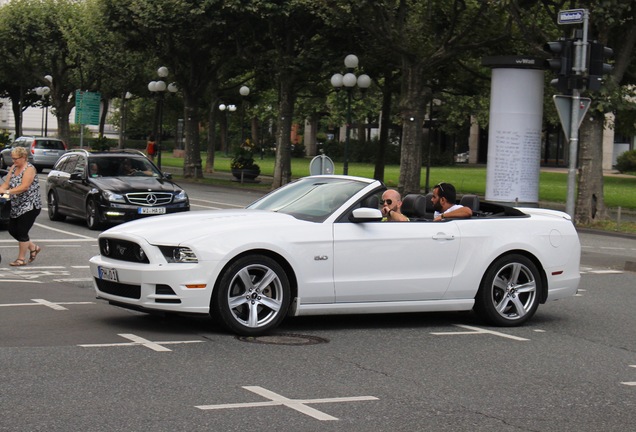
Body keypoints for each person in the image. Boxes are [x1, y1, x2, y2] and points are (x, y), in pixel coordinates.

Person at [0, 146, 42, 266]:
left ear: (23, 158)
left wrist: (7, 193)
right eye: (13, 159)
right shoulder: (14, 168)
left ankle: (21, 259)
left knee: (22, 231)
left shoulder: (29, 169)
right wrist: (2, 191)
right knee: (12, 230)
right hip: (16, 204)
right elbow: (6, 184)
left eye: (16, 159)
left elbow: (24, 187)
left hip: (30, 205)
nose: (14, 161)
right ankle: (33, 247)